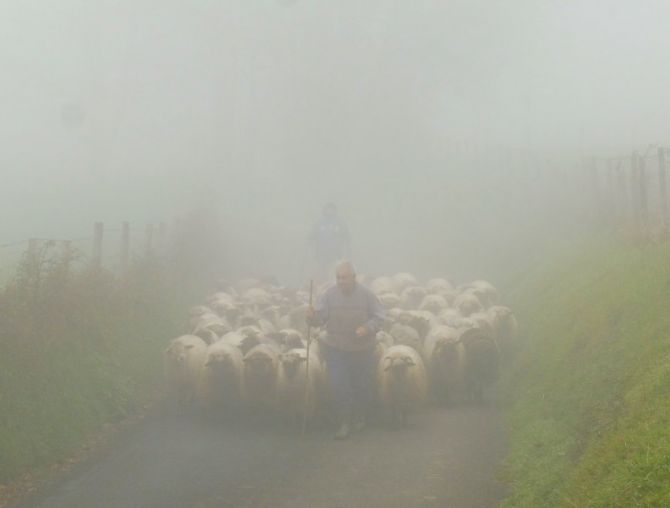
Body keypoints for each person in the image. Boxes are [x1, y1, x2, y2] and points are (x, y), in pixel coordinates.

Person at [306, 261, 385, 440]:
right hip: (336, 347)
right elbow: (320, 319)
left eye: (344, 278)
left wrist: (367, 327)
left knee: (361, 385)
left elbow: (380, 316)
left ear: (354, 278)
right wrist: (311, 318)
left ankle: (360, 415)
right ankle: (344, 421)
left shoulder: (367, 295)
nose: (341, 281)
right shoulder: (329, 295)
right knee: (338, 384)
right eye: (338, 278)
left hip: (361, 348)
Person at [308, 203, 351, 283]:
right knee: (322, 270)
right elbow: (312, 235)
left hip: (336, 253)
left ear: (335, 211)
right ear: (324, 210)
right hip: (321, 252)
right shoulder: (320, 223)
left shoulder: (340, 223)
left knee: (336, 270)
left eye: (331, 209)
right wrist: (310, 240)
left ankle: (336, 284)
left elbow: (347, 236)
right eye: (328, 209)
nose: (329, 211)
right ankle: (322, 284)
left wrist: (347, 245)